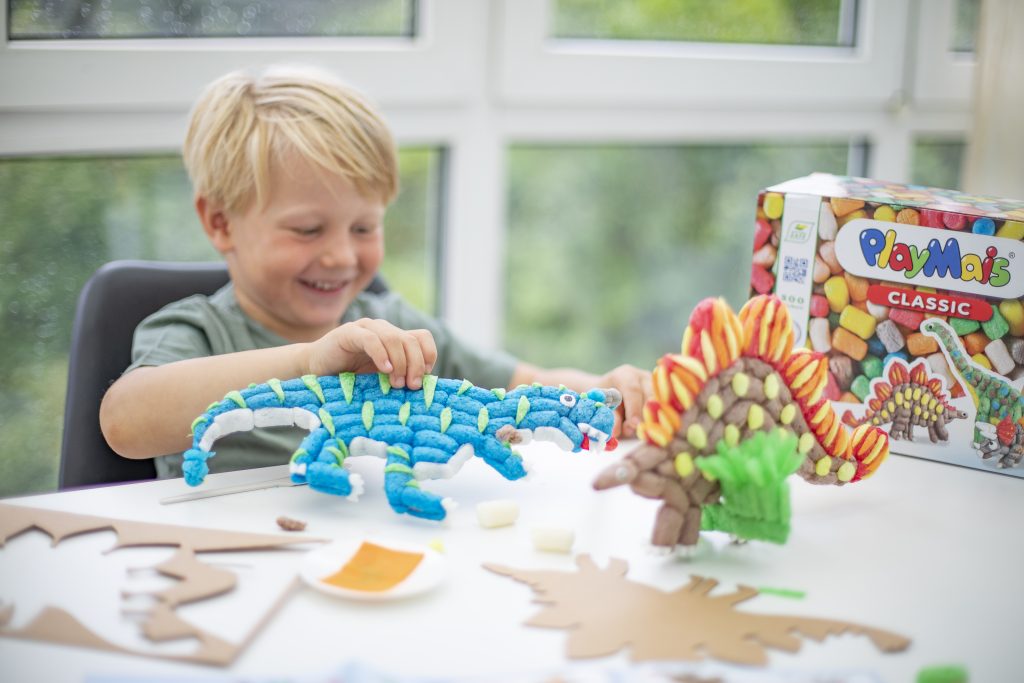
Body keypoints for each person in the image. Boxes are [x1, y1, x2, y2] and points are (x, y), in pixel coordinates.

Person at [99, 65, 652, 478]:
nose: (342, 256)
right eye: (308, 230)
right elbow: (125, 423)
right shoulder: (195, 332)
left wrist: (600, 391)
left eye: (363, 228)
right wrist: (307, 362)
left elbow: (523, 384)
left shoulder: (394, 328)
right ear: (221, 222)